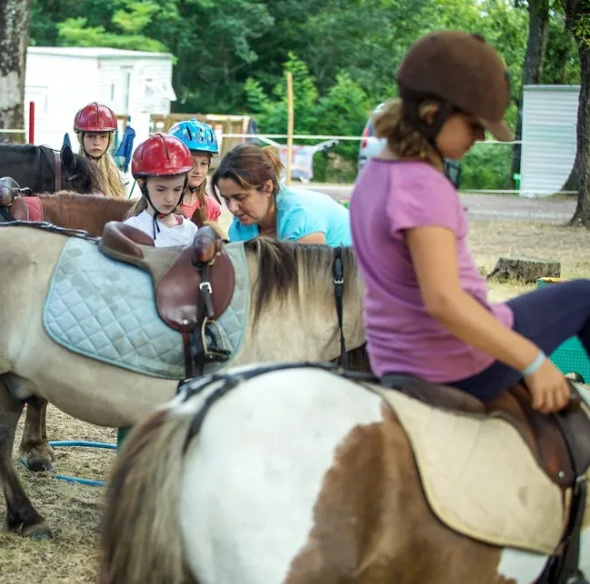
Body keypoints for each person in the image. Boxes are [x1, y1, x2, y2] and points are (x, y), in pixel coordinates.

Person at [349, 30, 588, 414]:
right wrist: (533, 360)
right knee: (584, 296)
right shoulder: (424, 185)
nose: (480, 138)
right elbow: (444, 301)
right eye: (475, 126)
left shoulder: (373, 176)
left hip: (396, 361)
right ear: (432, 115)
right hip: (456, 363)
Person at [213, 143, 352, 246]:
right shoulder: (239, 228)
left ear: (267, 187)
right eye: (226, 199)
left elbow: (308, 282)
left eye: (240, 197)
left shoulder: (300, 216)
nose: (232, 208)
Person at [121, 133, 199, 248]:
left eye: (177, 189)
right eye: (161, 189)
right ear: (142, 186)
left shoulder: (191, 230)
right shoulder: (131, 229)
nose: (170, 199)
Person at [169, 117, 223, 225]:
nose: (198, 171)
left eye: (204, 164)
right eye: (192, 163)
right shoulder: (162, 203)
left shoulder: (211, 206)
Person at [74, 102, 130, 199]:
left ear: (109, 140)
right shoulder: (69, 174)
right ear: (81, 138)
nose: (97, 142)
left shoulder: (119, 178)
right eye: (91, 136)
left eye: (103, 137)